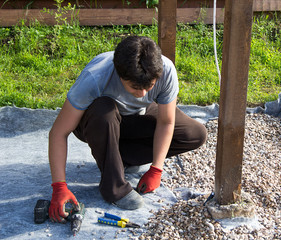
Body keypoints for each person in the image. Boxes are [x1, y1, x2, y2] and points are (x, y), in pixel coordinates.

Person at [48, 36, 207, 223]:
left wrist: (157, 168)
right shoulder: (95, 77)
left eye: (149, 87)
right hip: (98, 121)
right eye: (135, 87)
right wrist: (59, 186)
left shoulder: (166, 70)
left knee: (194, 134)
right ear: (120, 75)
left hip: (135, 117)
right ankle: (114, 188)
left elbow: (166, 122)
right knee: (103, 111)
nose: (142, 94)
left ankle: (120, 158)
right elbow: (59, 132)